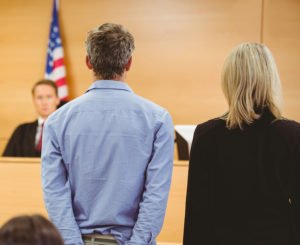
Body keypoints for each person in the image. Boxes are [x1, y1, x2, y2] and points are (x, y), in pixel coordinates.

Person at [42, 23, 174, 245]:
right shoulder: (158, 119)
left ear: (88, 62)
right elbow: (156, 197)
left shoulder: (57, 121)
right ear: (129, 63)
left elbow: (54, 194)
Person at [183, 43, 300, 245]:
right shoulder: (293, 134)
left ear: (229, 81)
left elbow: (197, 214)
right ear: (271, 80)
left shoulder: (206, 135)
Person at [2, 80, 60, 157]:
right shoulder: (21, 130)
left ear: (57, 100)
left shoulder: (66, 129)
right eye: (39, 97)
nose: (44, 102)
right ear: (34, 100)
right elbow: (7, 161)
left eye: (49, 97)